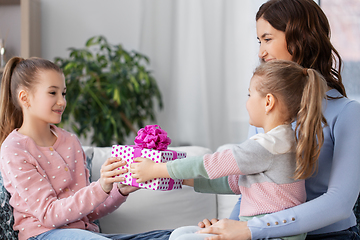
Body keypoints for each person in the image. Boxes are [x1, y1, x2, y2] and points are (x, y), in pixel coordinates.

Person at [180, 0, 360, 239]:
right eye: (259, 41)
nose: (261, 52)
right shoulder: (266, 107)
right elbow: (251, 187)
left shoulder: (347, 112)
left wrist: (249, 229)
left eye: (267, 39)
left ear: (300, 38)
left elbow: (339, 203)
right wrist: (226, 230)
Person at [130, 60, 328, 240]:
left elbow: (211, 164)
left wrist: (158, 169)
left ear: (268, 102)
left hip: (271, 236)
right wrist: (180, 178)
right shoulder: (282, 142)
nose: (247, 102)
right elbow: (236, 182)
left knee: (181, 238)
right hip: (268, 233)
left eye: (250, 95)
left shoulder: (268, 145)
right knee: (181, 233)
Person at [0, 57, 172, 240]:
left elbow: (88, 212)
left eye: (63, 94)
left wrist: (118, 190)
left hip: (85, 235)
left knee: (173, 236)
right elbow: (49, 214)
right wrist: (100, 186)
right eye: (52, 93)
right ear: (24, 98)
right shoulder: (14, 148)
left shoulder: (70, 141)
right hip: (43, 235)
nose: (62, 102)